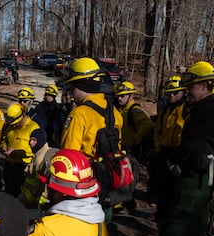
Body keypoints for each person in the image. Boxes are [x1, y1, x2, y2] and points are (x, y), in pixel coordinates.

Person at [151, 61, 214, 236]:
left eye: (191, 86)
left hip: (194, 173)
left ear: (204, 85)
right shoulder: (213, 108)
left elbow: (193, 144)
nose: (187, 91)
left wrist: (175, 161)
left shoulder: (207, 110)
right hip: (206, 172)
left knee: (180, 215)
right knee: (198, 218)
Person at [59, 57, 123, 222]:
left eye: (73, 86)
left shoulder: (79, 114)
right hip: (109, 178)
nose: (71, 92)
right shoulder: (115, 112)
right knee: (103, 221)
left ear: (82, 85)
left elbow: (68, 157)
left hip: (84, 185)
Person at [150, 75, 187, 225]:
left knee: (175, 191)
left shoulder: (187, 110)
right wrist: (159, 147)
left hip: (179, 156)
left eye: (175, 93)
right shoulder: (166, 109)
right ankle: (161, 217)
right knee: (162, 187)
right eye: (169, 93)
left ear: (183, 92)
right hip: (164, 152)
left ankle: (170, 222)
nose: (171, 96)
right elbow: (158, 130)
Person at [113, 81, 153, 214]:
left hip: (129, 150)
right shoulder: (120, 109)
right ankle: (124, 204)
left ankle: (126, 205)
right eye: (118, 95)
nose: (119, 98)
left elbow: (147, 125)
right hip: (120, 149)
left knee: (128, 178)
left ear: (131, 96)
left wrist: (134, 140)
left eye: (123, 96)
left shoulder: (134, 110)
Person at [0, 103, 43, 197]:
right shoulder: (11, 125)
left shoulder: (34, 128)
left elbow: (38, 151)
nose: (14, 126)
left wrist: (17, 153)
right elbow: (4, 139)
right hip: (9, 165)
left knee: (21, 194)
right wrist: (3, 147)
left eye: (15, 123)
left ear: (22, 116)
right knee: (8, 193)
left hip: (24, 168)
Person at [18, 128, 56, 210]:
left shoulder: (41, 159)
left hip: (34, 199)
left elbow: (40, 185)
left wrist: (27, 199)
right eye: (30, 140)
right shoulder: (39, 154)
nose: (31, 143)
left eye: (34, 140)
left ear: (40, 141)